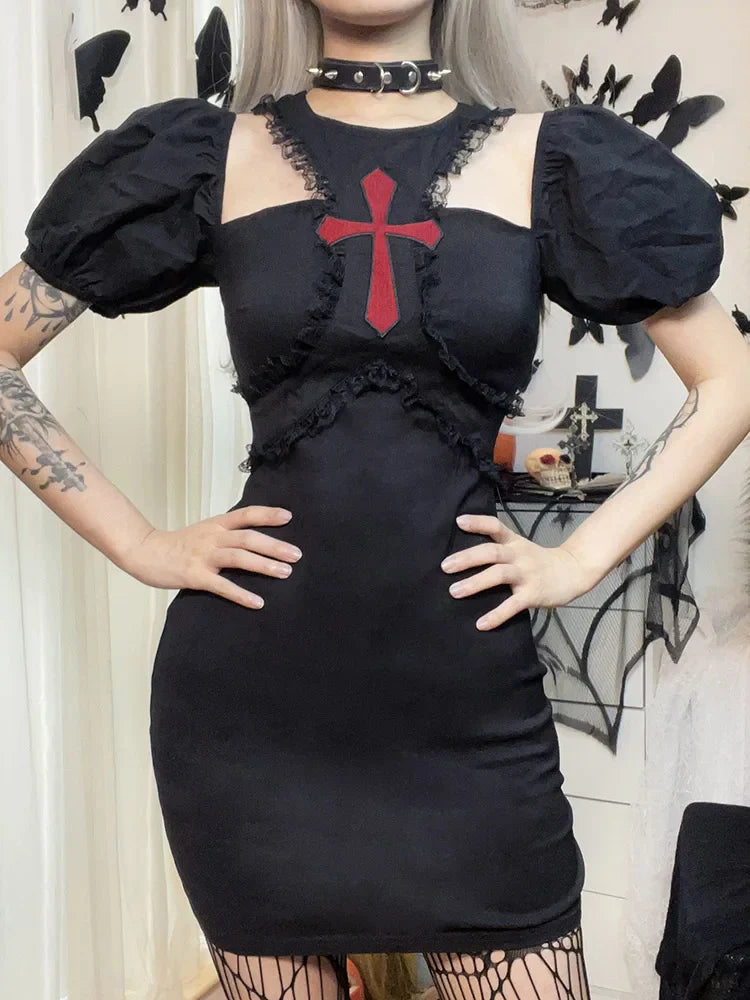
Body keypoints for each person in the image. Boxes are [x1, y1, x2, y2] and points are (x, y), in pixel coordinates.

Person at [1, 0, 745, 997]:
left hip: (470, 714)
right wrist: (139, 543)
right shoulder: (208, 156)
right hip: (251, 718)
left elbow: (731, 380)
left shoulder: (552, 160)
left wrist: (580, 556)